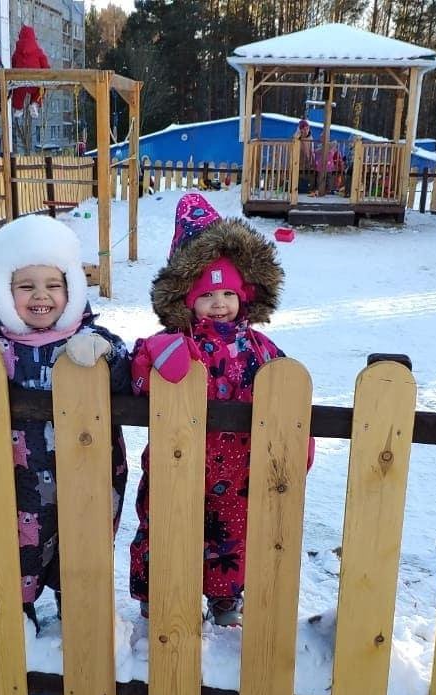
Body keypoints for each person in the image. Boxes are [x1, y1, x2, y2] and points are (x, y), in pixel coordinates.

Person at [0, 215, 131, 631]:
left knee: (84, 542)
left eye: (54, 285)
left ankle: (78, 605)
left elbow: (127, 375)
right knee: (18, 547)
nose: (41, 296)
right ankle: (18, 611)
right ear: (5, 291)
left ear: (71, 289)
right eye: (26, 286)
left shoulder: (89, 338)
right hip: (16, 477)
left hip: (88, 474)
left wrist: (105, 355)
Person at [128, 193, 311, 628]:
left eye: (228, 292)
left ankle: (225, 600)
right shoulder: (178, 344)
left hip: (240, 473)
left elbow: (287, 394)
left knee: (231, 537)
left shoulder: (259, 348)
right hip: (179, 463)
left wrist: (298, 441)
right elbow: (137, 382)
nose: (220, 303)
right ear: (187, 300)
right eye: (208, 294)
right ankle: (158, 595)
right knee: (166, 527)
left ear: (244, 296)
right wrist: (154, 352)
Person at [10, 25, 49, 120]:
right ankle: (35, 103)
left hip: (21, 81)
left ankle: (18, 108)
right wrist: (47, 70)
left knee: (17, 90)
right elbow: (44, 64)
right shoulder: (37, 50)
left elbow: (14, 62)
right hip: (35, 80)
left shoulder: (17, 51)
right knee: (42, 87)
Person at [294, 118, 314, 194]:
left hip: (307, 160)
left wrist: (312, 159)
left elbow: (311, 149)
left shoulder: (310, 137)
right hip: (298, 159)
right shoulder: (298, 137)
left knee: (307, 175)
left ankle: (306, 188)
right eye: (304, 129)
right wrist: (298, 132)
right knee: (298, 173)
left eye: (307, 129)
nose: (306, 130)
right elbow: (295, 138)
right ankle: (296, 188)